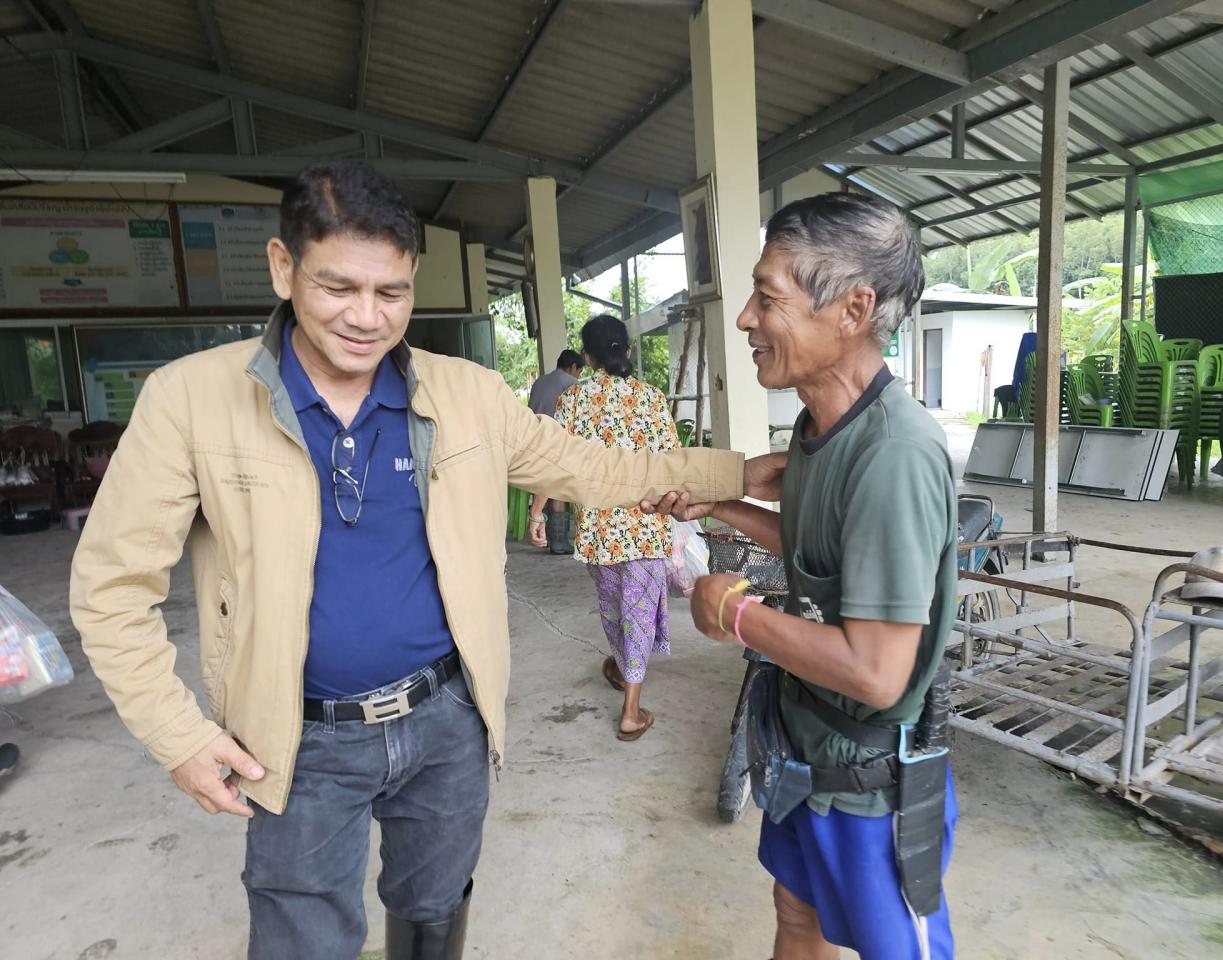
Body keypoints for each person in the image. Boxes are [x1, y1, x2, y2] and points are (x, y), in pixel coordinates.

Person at [68, 159, 779, 960]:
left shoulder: (467, 392)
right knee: (302, 934)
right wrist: (179, 737)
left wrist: (731, 475)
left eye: (392, 292)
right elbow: (110, 590)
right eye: (339, 287)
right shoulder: (190, 401)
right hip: (293, 738)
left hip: (446, 721)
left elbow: (593, 467)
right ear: (281, 266)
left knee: (436, 906)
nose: (367, 317)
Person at [645, 193, 958, 960]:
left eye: (767, 296)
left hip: (870, 782)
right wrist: (722, 505)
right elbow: (816, 548)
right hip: (801, 749)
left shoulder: (895, 455)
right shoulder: (819, 428)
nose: (747, 318)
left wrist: (735, 612)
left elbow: (877, 673)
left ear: (852, 310)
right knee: (795, 918)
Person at [530, 315, 678, 740]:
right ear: (627, 352)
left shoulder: (574, 401)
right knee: (638, 612)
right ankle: (631, 708)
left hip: (600, 533)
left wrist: (538, 514)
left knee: (616, 610)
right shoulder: (652, 399)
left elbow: (556, 466)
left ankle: (622, 672)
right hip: (648, 527)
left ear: (589, 358)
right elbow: (670, 464)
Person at [527, 348, 584, 553]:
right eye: (579, 371)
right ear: (573, 367)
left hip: (533, 444)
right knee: (559, 488)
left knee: (544, 487)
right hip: (556, 444)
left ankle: (548, 535)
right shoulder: (572, 385)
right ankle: (559, 542)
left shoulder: (539, 382)